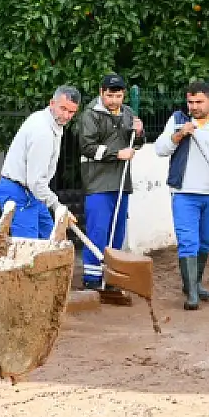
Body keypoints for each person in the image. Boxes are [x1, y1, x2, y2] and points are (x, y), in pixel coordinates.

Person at [154, 80, 209, 311]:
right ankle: (191, 293)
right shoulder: (177, 120)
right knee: (188, 242)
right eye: (190, 102)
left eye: (199, 102)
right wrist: (179, 135)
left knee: (206, 241)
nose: (193, 106)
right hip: (184, 193)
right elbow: (160, 149)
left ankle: (196, 282)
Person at [77, 73, 144, 299]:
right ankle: (92, 279)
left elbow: (137, 143)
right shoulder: (90, 115)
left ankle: (113, 279)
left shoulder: (128, 114)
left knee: (117, 233)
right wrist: (117, 154)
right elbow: (87, 147)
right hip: (98, 182)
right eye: (109, 95)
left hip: (122, 183)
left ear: (123, 94)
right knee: (98, 230)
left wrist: (139, 132)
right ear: (101, 92)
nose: (114, 100)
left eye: (117, 96)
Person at [0, 87, 82, 239]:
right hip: (19, 193)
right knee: (28, 252)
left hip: (33, 193)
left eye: (71, 112)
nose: (66, 116)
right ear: (52, 103)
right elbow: (35, 181)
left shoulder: (50, 121)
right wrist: (58, 207)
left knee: (52, 243)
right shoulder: (43, 131)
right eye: (63, 109)